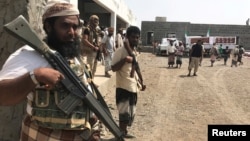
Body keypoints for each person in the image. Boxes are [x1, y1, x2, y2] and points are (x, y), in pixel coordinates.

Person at [0, 1, 102, 140]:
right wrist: (36, 75)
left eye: (75, 26)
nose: (72, 32)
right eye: (65, 25)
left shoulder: (74, 57)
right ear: (48, 26)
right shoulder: (29, 55)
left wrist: (91, 122)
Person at [111, 26, 146, 138]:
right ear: (127, 37)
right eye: (133, 37)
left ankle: (124, 132)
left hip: (133, 86)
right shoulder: (120, 51)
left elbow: (137, 66)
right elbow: (113, 68)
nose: (135, 39)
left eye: (137, 37)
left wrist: (141, 80)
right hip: (123, 86)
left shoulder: (134, 52)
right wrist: (125, 60)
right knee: (123, 112)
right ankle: (119, 135)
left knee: (131, 112)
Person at [82, 14, 102, 79]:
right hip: (89, 51)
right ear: (91, 21)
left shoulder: (96, 30)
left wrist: (99, 46)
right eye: (95, 20)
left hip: (96, 51)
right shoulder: (87, 29)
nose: (96, 22)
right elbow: (85, 40)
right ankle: (89, 82)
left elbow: (98, 39)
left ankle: (92, 81)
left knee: (94, 68)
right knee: (89, 68)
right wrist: (93, 47)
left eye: (97, 20)